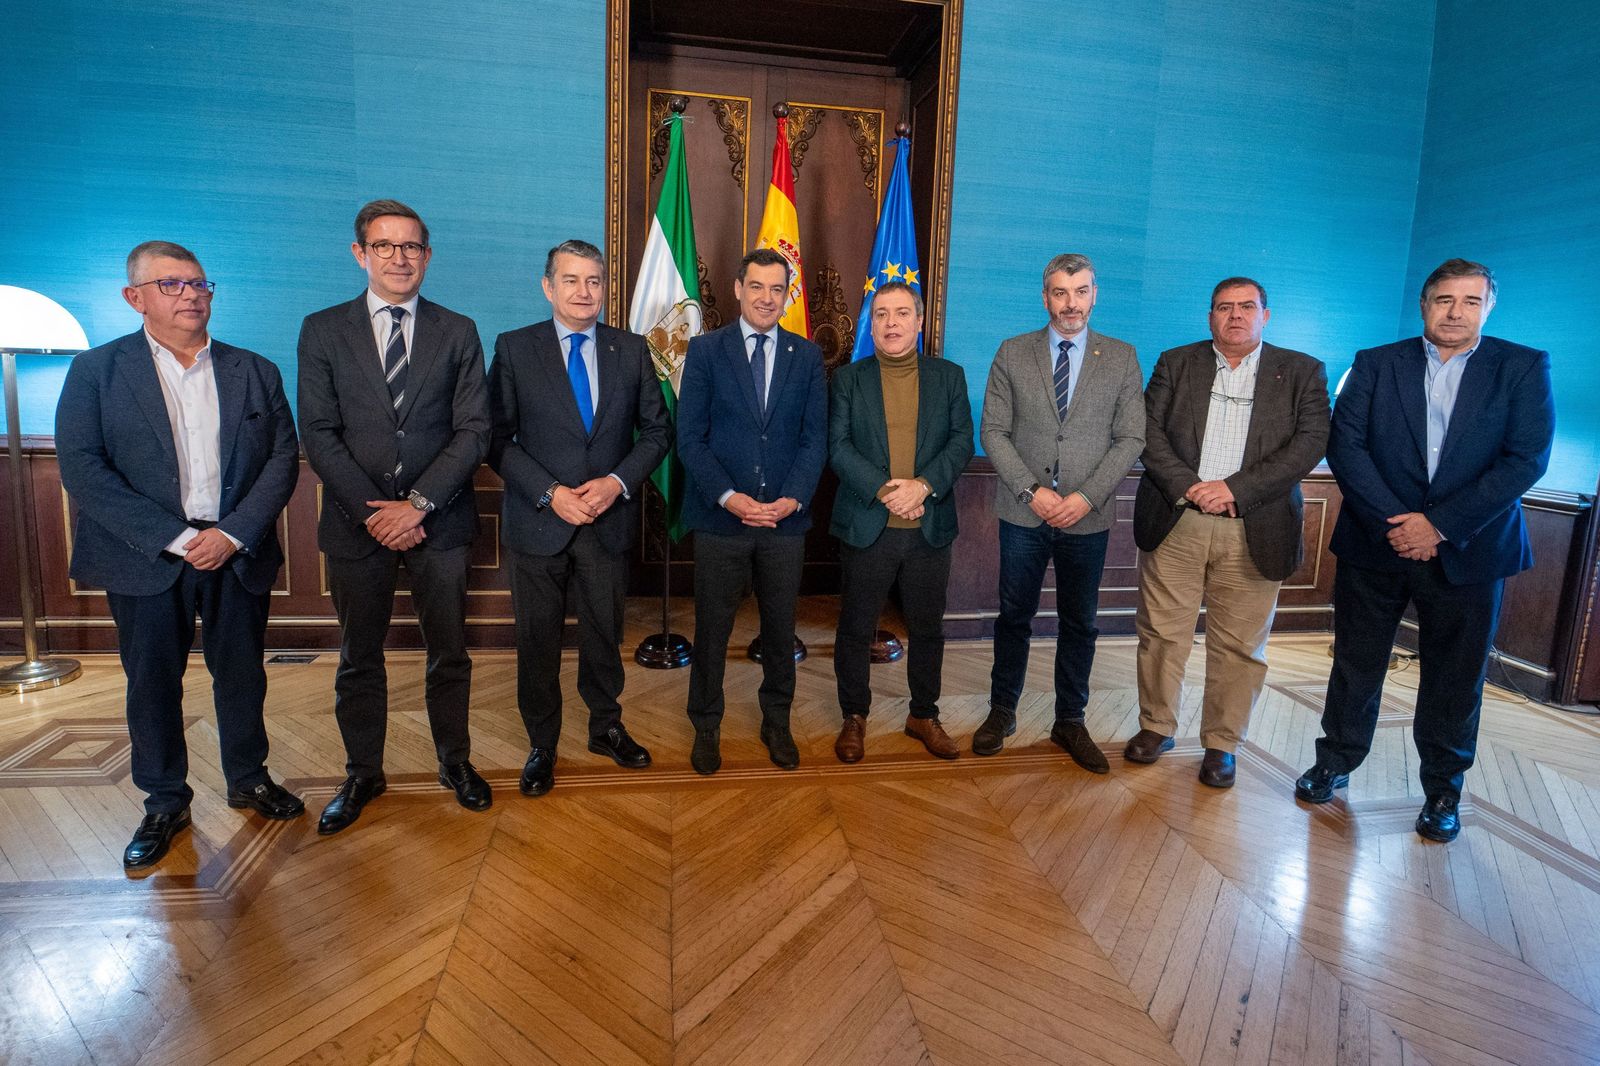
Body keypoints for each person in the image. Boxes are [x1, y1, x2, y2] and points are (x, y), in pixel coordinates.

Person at [55, 241, 301, 869]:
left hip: (235, 550)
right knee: (152, 682)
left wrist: (231, 534)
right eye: (171, 284)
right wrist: (177, 538)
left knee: (242, 673)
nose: (191, 294)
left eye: (199, 283)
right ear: (134, 297)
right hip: (147, 555)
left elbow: (281, 459)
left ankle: (248, 778)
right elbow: (83, 468)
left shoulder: (255, 370)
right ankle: (164, 799)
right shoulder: (96, 371)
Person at [1297, 259, 1554, 843]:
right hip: (1376, 543)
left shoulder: (1521, 366)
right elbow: (1346, 446)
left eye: (1470, 301)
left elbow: (1526, 459)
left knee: (1456, 679)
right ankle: (1335, 762)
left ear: (1488, 307)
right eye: (1444, 299)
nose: (1456, 312)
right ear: (1424, 305)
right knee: (1356, 664)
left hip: (1471, 549)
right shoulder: (1375, 363)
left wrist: (1437, 526)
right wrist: (1399, 523)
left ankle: (1443, 790)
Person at [297, 199, 491, 834]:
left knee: (450, 652)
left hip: (441, 523)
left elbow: (474, 431)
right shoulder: (323, 330)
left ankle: (455, 763)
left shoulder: (458, 330)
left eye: (411, 247)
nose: (399, 257)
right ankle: (363, 773)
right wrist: (376, 514)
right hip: (357, 526)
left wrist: (419, 505)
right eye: (384, 246)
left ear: (427, 256)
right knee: (359, 657)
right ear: (361, 254)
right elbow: (318, 433)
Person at [486, 240, 670, 796]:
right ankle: (542, 743)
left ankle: (605, 726)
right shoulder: (515, 348)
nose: (584, 291)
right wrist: (550, 493)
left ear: (604, 288)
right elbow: (495, 439)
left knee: (603, 635)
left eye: (594, 280)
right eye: (571, 280)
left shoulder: (631, 349)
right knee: (537, 640)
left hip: (606, 522)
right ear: (548, 287)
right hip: (538, 522)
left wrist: (616, 483)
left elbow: (658, 431)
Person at [1129, 278, 1329, 786]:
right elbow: (1147, 432)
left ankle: (1222, 744)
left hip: (1254, 525)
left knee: (1239, 646)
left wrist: (1234, 489)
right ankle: (1156, 726)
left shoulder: (1302, 371)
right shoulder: (1176, 363)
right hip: (1178, 519)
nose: (1235, 315)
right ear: (1210, 316)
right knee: (1161, 634)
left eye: (1246, 306)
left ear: (1266, 315)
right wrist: (1191, 487)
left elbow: (1309, 444)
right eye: (1224, 307)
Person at [978, 253, 1145, 769]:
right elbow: (993, 432)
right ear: (1045, 297)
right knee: (1014, 617)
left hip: (1086, 517)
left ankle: (1070, 719)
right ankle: (1002, 711)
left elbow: (1130, 438)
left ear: (1095, 295)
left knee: (1080, 622)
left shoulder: (1121, 357)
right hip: (1023, 513)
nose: (1070, 303)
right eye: (1060, 292)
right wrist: (1032, 491)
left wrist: (1086, 497)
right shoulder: (1013, 352)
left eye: (1080, 291)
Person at [676, 248, 828, 775]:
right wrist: (728, 497)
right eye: (757, 286)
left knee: (781, 631)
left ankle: (777, 722)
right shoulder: (705, 351)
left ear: (788, 296)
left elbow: (814, 440)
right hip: (721, 521)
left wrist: (793, 498)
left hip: (785, 522)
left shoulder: (806, 356)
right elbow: (690, 439)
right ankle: (706, 725)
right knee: (712, 631)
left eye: (777, 289)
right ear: (738, 289)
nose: (767, 297)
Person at [828, 281, 974, 762]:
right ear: (871, 325)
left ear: (920, 321)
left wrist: (923, 487)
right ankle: (854, 715)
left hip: (929, 529)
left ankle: (923, 715)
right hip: (868, 525)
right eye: (881, 314)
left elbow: (961, 442)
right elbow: (838, 447)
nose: (891, 323)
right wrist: (890, 492)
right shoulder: (848, 380)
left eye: (901, 313)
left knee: (928, 628)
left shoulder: (949, 377)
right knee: (856, 627)